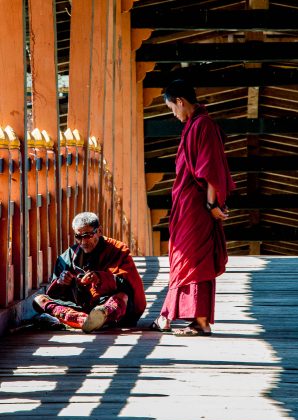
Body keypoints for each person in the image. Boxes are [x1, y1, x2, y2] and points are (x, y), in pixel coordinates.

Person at [150, 79, 236, 336]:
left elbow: (210, 169)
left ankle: (200, 322)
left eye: (171, 108)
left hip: (197, 206)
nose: (173, 114)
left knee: (194, 260)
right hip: (187, 204)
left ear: (180, 101)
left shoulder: (203, 126)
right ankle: (169, 315)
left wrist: (211, 204)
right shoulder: (194, 125)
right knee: (182, 259)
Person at [33, 212, 146, 333]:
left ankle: (100, 316)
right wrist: (62, 282)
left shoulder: (117, 250)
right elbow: (56, 294)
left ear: (99, 231)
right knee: (39, 300)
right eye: (78, 237)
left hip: (109, 304)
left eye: (87, 235)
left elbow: (130, 286)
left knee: (121, 297)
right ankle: (84, 321)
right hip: (81, 306)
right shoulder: (69, 256)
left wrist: (101, 278)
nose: (83, 242)